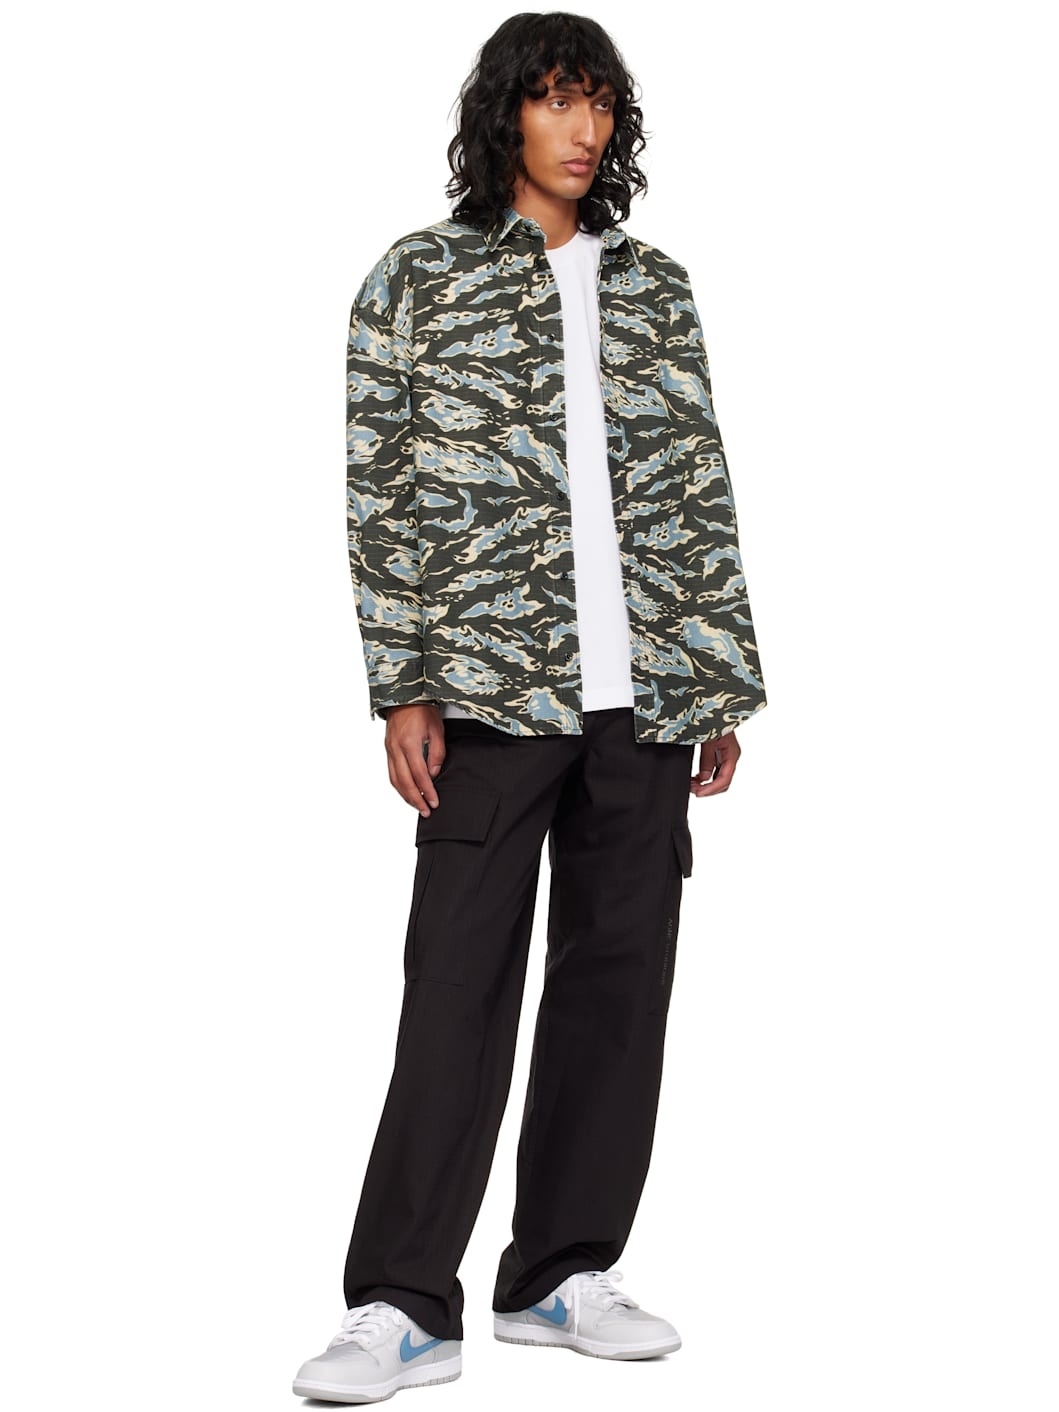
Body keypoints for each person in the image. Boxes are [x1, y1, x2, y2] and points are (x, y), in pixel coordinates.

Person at [293, 10, 767, 1403]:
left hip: (647, 698)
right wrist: (404, 681)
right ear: (505, 113)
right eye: (556, 98)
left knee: (618, 993)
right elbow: (379, 489)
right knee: (455, 992)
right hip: (493, 691)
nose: (582, 127)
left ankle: (560, 1274)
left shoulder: (657, 286)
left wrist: (714, 672)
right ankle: (400, 1303)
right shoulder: (418, 278)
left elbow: (697, 481)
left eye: (600, 102)